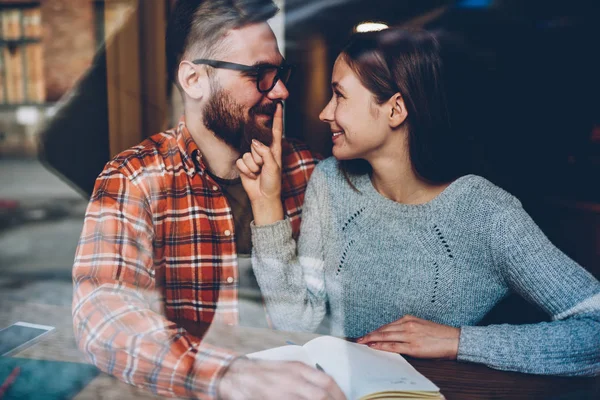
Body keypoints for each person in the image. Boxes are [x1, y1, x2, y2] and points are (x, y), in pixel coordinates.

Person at [237, 28, 600, 376]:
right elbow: (297, 322)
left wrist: (460, 341)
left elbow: (594, 327)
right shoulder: (331, 181)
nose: (324, 113)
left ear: (396, 110)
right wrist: (267, 203)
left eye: (340, 95)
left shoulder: (485, 211)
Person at [72, 1, 346, 399]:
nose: (282, 90)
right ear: (194, 79)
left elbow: (334, 308)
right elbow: (103, 314)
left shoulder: (306, 168)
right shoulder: (134, 179)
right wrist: (226, 374)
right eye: (259, 75)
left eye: (280, 72)